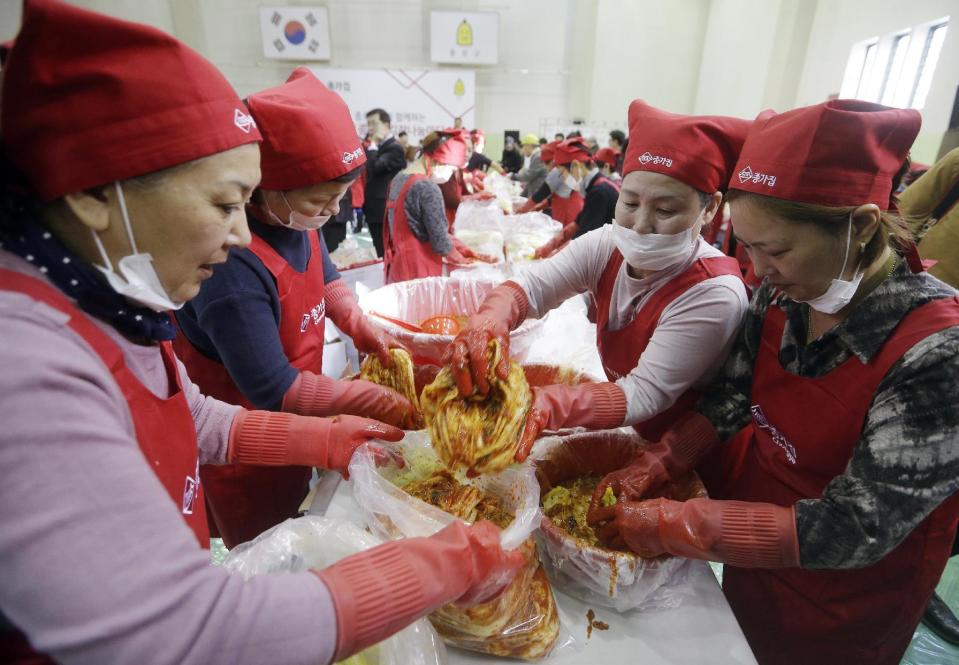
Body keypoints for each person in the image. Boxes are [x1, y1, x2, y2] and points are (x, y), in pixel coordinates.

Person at [0, 2, 523, 663]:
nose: (241, 234)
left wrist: (328, 437)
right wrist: (445, 564)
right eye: (223, 204)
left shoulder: (114, 297)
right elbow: (197, 631)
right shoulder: (23, 365)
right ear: (93, 193)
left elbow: (193, 415)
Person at [587, 100, 959, 665]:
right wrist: (661, 459)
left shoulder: (936, 352)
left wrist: (682, 522)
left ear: (859, 225)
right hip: (752, 546)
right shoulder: (785, 295)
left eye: (776, 249)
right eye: (749, 246)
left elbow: (856, 524)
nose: (756, 271)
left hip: (845, 599)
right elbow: (736, 395)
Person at [174, 68, 417, 548]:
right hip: (245, 445)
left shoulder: (296, 218)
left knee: (303, 509)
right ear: (268, 187)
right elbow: (271, 387)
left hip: (305, 415)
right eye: (322, 201)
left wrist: (355, 320)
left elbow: (323, 275)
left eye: (341, 199)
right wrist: (370, 399)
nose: (331, 212)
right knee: (266, 545)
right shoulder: (231, 268)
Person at [448, 100, 749, 459]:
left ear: (711, 208)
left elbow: (644, 392)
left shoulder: (715, 292)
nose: (640, 225)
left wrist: (547, 405)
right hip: (636, 434)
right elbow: (534, 286)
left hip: (690, 456)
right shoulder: (606, 247)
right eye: (631, 203)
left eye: (666, 210)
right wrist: (489, 319)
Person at [898, 146, 959, 644]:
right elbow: (906, 214)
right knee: (914, 471)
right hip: (925, 328)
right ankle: (914, 581)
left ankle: (926, 581)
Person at [383, 129, 492, 282]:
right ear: (437, 160)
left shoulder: (398, 178)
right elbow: (440, 242)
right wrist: (465, 261)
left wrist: (465, 250)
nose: (450, 174)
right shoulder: (427, 187)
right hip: (419, 272)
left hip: (397, 266)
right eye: (451, 168)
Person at [532, 136, 621, 258]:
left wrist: (554, 258)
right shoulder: (596, 186)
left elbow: (582, 240)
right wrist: (549, 247)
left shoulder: (600, 192)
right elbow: (577, 223)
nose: (564, 179)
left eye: (563, 174)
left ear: (575, 165)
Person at [363, 108, 406, 257]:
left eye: (374, 123)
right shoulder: (379, 148)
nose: (370, 128)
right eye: (368, 124)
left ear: (386, 124)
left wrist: (373, 145)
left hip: (385, 210)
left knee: (387, 253)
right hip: (374, 210)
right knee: (380, 251)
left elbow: (376, 168)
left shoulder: (395, 148)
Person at [513, 133, 548, 198]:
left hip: (538, 193)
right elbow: (531, 179)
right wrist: (521, 196)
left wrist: (514, 176)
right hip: (534, 191)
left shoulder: (538, 157)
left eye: (523, 146)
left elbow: (528, 176)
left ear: (529, 146)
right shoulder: (535, 156)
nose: (523, 149)